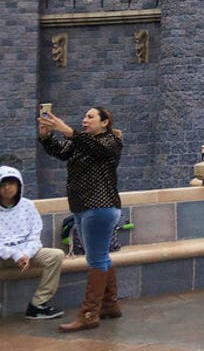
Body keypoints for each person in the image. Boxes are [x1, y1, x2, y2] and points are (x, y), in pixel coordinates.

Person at [37, 106, 123, 333]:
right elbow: (62, 152)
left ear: (105, 122)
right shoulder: (81, 141)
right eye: (84, 116)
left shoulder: (110, 142)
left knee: (95, 260)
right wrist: (47, 136)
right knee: (100, 256)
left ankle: (89, 314)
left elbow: (95, 149)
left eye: (91, 117)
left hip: (101, 207)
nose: (85, 120)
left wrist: (67, 130)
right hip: (83, 207)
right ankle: (110, 305)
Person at [0, 166, 65, 320]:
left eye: (11, 183)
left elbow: (35, 235)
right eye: (2, 185)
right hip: (3, 256)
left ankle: (37, 305)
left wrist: (25, 255)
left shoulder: (28, 206)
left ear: (19, 185)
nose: (7, 188)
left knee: (56, 255)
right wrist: (15, 255)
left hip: (26, 253)